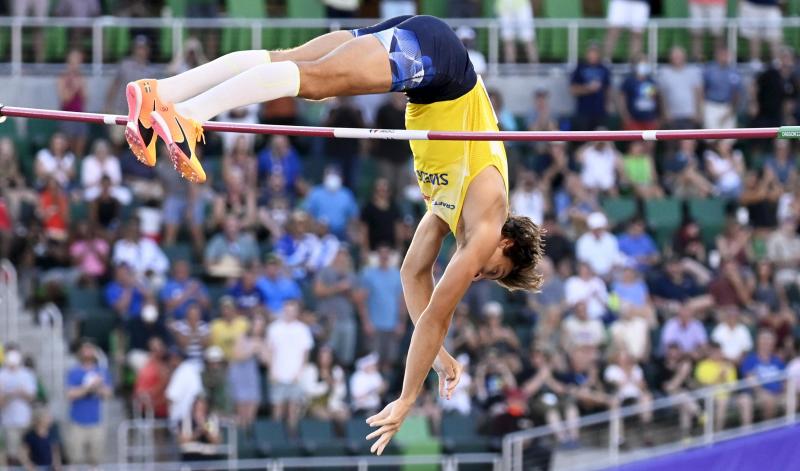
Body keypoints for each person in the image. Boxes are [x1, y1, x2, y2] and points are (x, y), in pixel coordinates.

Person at [125, 15, 544, 454]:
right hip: (441, 68)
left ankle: (162, 94)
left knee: (287, 62)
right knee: (317, 82)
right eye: (493, 271)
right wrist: (406, 398)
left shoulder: (451, 215)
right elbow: (438, 313)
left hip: (430, 64)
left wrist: (438, 357)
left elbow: (414, 275)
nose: (479, 274)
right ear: (506, 243)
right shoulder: (484, 226)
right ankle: (189, 117)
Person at [264, 300, 313, 435]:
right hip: (277, 374)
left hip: (295, 375)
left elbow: (305, 354)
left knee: (293, 408)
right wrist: (271, 370)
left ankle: (292, 435)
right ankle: (275, 435)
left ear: (297, 312)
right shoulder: (274, 328)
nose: (290, 313)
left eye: (293, 310)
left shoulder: (302, 329)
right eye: (287, 310)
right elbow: (269, 351)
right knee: (277, 407)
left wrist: (300, 372)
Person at [358, 245, 406, 371]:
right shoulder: (368, 275)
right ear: (378, 256)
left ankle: (385, 388)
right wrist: (366, 322)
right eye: (381, 254)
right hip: (375, 325)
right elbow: (362, 300)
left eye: (387, 254)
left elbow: (402, 301)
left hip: (392, 324)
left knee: (390, 360)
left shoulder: (397, 275)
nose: (384, 257)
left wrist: (401, 323)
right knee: (373, 360)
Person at [65, 340, 112, 467]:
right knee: (75, 459)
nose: (87, 353)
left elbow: (108, 394)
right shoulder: (74, 372)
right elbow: (70, 394)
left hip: (95, 420)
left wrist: (98, 386)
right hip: (77, 421)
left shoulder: (101, 372)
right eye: (85, 350)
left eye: (90, 349)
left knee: (95, 460)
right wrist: (87, 388)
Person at [0, 348, 36, 465]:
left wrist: (21, 392)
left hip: (25, 419)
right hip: (8, 420)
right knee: (13, 453)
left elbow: (32, 397)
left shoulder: (26, 374)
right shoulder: (2, 375)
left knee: (27, 451)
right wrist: (10, 394)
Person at [570, 43, 612, 131]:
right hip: (584, 112)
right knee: (584, 139)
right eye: (591, 52)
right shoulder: (580, 68)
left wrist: (608, 106)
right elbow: (573, 90)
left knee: (601, 139)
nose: (593, 55)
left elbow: (608, 90)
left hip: (600, 112)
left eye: (595, 52)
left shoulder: (604, 69)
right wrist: (588, 88)